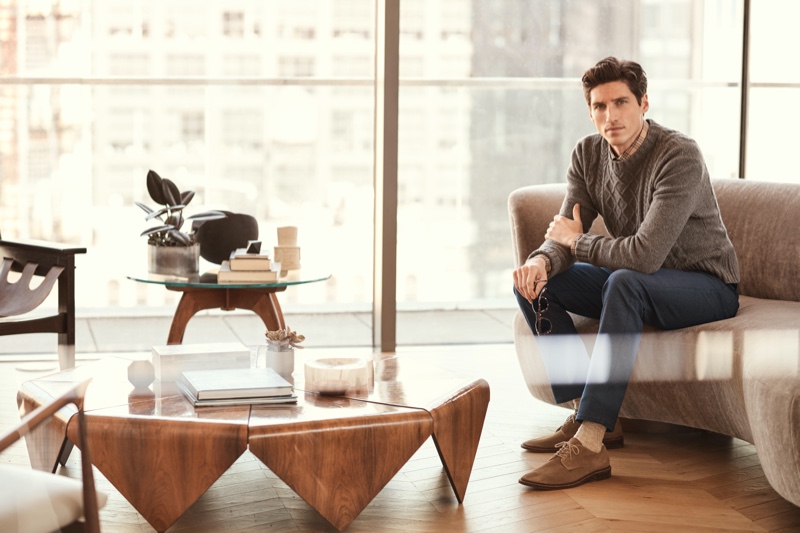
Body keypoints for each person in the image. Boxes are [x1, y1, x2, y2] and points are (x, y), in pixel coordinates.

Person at [512, 56, 740, 490]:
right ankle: (585, 413)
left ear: (644, 103)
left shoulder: (679, 155)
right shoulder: (588, 154)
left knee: (624, 281)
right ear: (590, 111)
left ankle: (590, 444)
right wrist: (540, 260)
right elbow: (565, 233)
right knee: (536, 284)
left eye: (621, 102)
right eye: (599, 106)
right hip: (641, 281)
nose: (610, 116)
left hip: (706, 284)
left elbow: (644, 256)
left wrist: (577, 242)